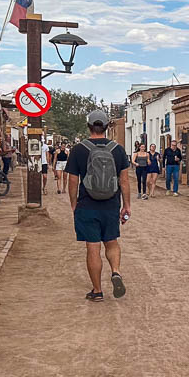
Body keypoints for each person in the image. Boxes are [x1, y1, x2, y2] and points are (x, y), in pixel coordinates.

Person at [66, 110, 131, 301]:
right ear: (106, 127)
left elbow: (72, 180)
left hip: (87, 205)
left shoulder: (79, 149)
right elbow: (125, 181)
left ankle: (97, 291)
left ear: (89, 127)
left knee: (92, 247)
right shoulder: (117, 150)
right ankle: (116, 271)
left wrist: (73, 204)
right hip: (111, 204)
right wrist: (126, 205)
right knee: (111, 242)